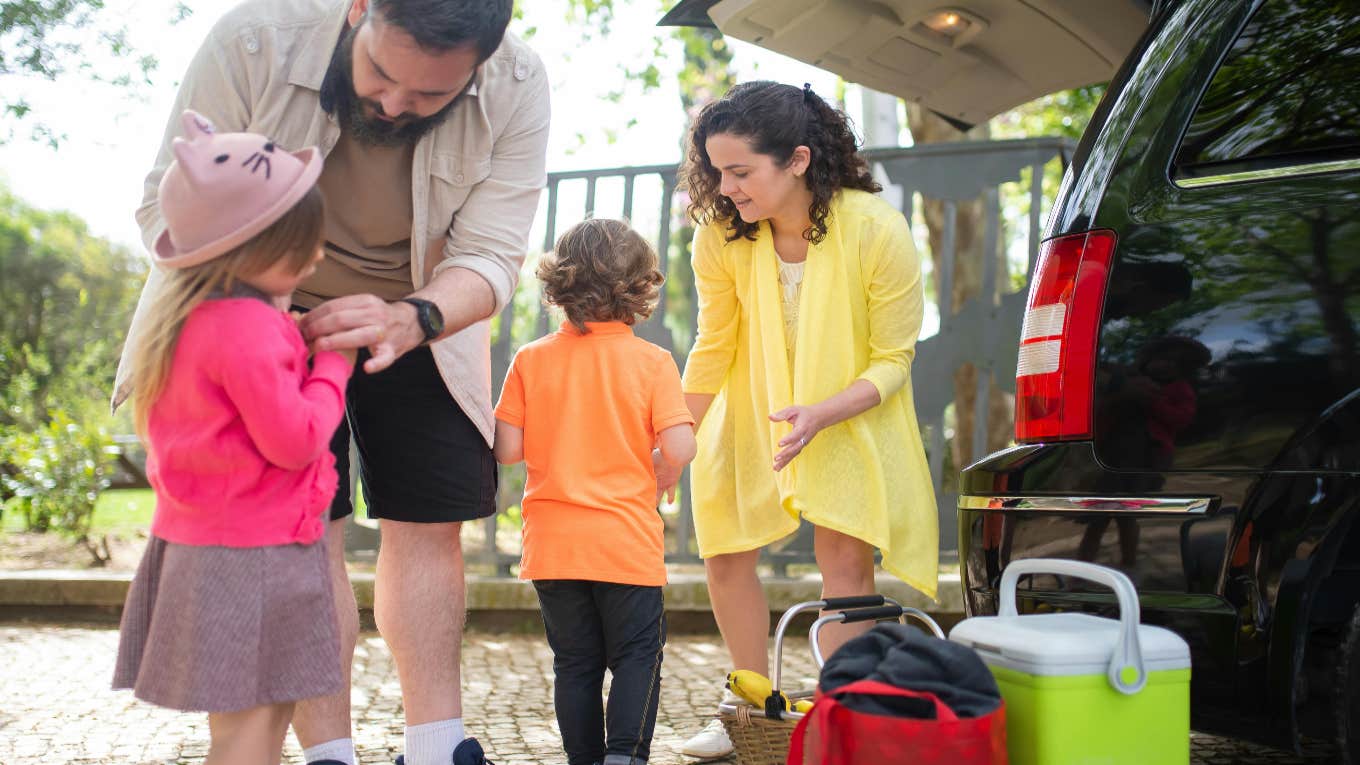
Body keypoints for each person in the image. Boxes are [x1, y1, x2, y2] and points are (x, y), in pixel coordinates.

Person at [113, 1, 549, 763]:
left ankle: (436, 745)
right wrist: (267, 300)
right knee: (301, 528)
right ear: (358, 8)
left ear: (480, 63)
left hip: (423, 310)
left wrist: (409, 318)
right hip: (253, 306)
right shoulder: (255, 38)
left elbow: (489, 256)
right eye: (380, 72)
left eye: (429, 96)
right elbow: (165, 198)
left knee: (431, 519)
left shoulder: (519, 84)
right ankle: (329, 753)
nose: (392, 104)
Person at [673, 81, 939, 760]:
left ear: (795, 159)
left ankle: (842, 711)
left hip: (847, 414)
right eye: (716, 171)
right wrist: (676, 435)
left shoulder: (876, 228)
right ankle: (747, 705)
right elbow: (715, 342)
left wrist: (823, 411)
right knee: (725, 549)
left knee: (842, 556)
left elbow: (893, 361)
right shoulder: (719, 235)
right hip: (751, 410)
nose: (725, 187)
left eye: (739, 172)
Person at [112, 110, 354, 765]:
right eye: (305, 243)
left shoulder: (194, 320)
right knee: (251, 726)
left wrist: (296, 346)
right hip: (254, 558)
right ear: (250, 247)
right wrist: (335, 365)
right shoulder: (246, 329)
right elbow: (297, 438)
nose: (318, 255)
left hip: (211, 547)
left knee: (253, 718)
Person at [493, 218, 698, 765]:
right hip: (624, 543)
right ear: (640, 288)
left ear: (559, 284)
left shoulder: (530, 360)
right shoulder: (652, 363)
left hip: (554, 545)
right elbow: (678, 449)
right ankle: (624, 755)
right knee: (636, 656)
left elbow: (507, 451)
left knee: (575, 662)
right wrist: (660, 454)